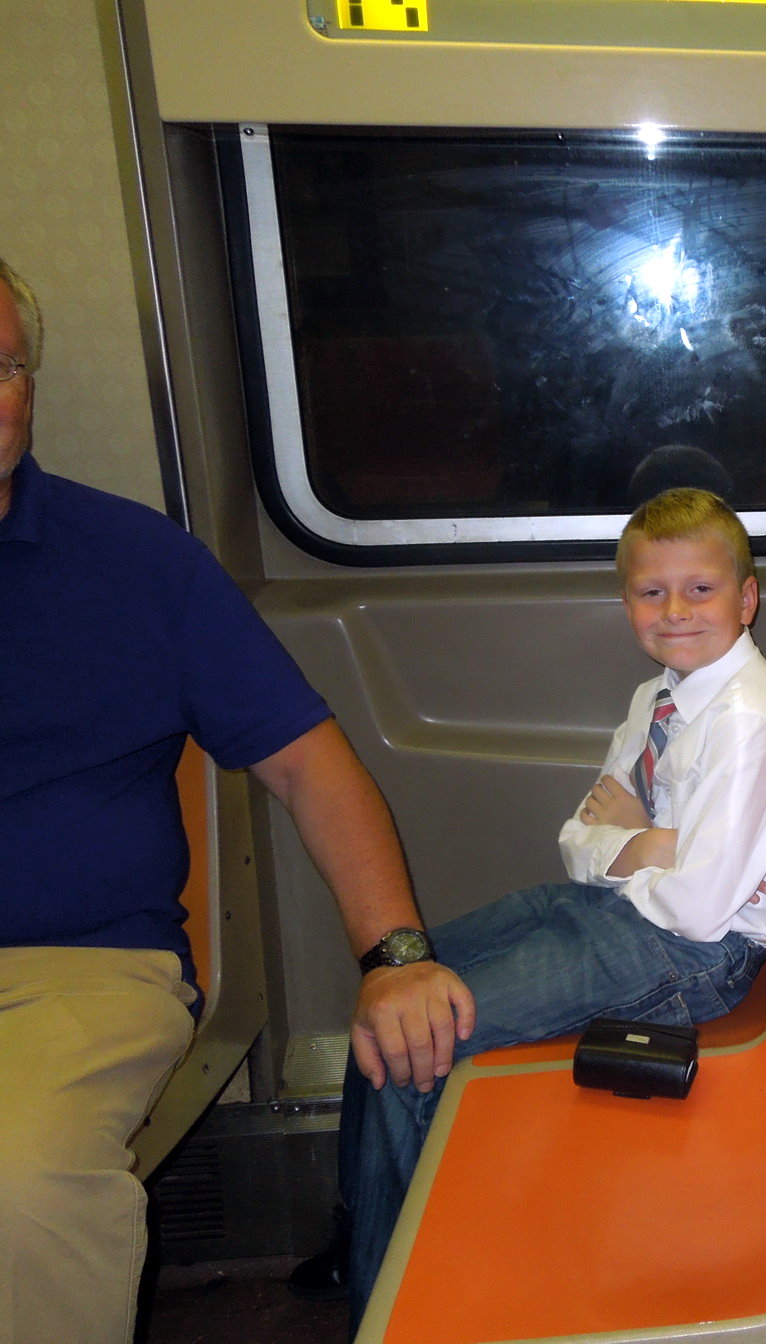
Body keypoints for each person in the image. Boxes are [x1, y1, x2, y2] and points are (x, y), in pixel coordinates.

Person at [0, 256, 473, 1344]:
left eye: (0, 367)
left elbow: (309, 762)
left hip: (72, 972)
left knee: (20, 1186)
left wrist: (396, 961)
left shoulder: (134, 564)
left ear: (33, 383)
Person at [337, 486, 766, 1316]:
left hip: (700, 958)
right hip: (633, 913)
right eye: (651, 591)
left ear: (747, 598)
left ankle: (390, 1307)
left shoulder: (751, 721)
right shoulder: (659, 699)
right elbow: (576, 838)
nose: (675, 610)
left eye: (700, 589)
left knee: (424, 1042)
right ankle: (360, 1240)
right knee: (398, 987)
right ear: (626, 600)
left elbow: (703, 909)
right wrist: (653, 845)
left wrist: (633, 846)